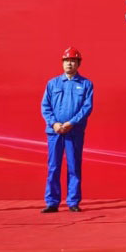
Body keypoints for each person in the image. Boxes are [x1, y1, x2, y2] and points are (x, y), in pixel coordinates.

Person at [41, 46, 94, 213]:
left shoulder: (86, 84)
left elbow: (86, 108)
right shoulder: (52, 83)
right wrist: (54, 123)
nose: (69, 64)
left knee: (74, 166)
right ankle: (52, 202)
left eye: (72, 61)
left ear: (78, 63)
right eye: (66, 61)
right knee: (53, 166)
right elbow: (45, 106)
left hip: (74, 132)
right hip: (55, 132)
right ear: (62, 63)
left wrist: (72, 122)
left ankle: (73, 201)